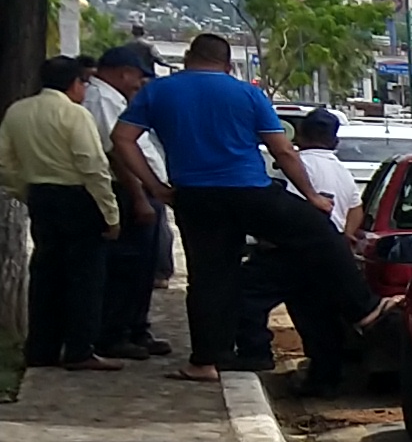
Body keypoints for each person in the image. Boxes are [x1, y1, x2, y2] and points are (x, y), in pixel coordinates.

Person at [112, 32, 373, 391]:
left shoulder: (158, 92)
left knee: (208, 278)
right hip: (249, 190)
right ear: (227, 63)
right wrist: (311, 196)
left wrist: (154, 187)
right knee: (318, 233)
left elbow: (122, 138)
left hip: (194, 195)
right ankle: (364, 308)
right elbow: (282, 150)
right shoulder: (247, 93)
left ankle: (205, 360)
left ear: (189, 57)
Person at [6, 56, 120, 367]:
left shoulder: (17, 111)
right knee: (85, 277)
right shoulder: (75, 115)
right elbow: (93, 167)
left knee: (45, 272)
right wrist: (110, 213)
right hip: (77, 197)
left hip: (40, 195)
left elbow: (4, 161)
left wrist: (24, 190)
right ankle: (79, 349)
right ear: (74, 83)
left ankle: (41, 349)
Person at [87, 38, 173, 358]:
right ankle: (115, 332)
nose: (141, 83)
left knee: (143, 266)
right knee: (125, 265)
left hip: (144, 188)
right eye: (138, 76)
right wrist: (138, 195)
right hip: (127, 189)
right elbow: (117, 153)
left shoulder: (116, 98)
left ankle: (136, 327)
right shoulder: (102, 100)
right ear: (124, 73)